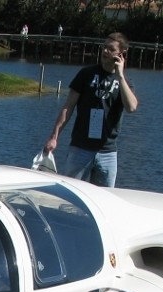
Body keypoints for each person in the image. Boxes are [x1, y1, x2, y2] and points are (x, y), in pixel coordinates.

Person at [43, 32, 138, 188]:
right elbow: (68, 106)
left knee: (105, 200)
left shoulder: (125, 83)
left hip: (108, 153)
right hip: (80, 148)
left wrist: (120, 76)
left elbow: (132, 107)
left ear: (121, 54)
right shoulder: (86, 74)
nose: (105, 51)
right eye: (104, 47)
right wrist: (54, 136)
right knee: (71, 196)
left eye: (111, 49)